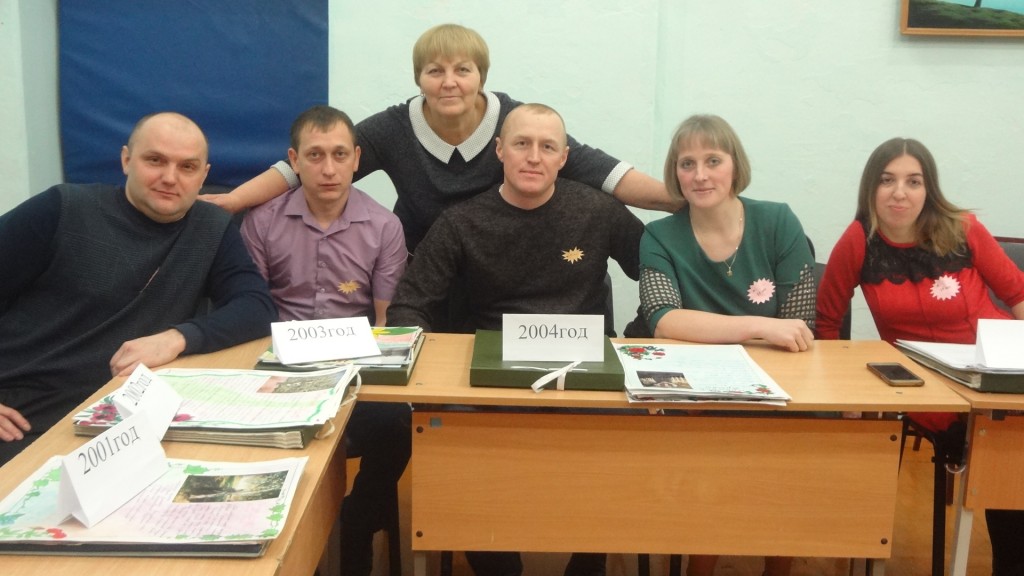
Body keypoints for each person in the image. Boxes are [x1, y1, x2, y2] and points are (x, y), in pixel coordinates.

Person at [388, 103, 643, 576]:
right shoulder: (461, 222)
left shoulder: (599, 211)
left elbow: (660, 273)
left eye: (547, 147)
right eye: (522, 144)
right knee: (449, 429)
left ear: (563, 158)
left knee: (627, 429)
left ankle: (588, 561)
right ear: (500, 150)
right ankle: (498, 564)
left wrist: (638, 336)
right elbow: (410, 304)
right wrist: (422, 369)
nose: (534, 157)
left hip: (583, 376)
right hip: (491, 376)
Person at [202, 23, 678, 254]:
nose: (449, 82)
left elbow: (608, 174)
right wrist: (234, 201)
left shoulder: (517, 124)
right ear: (419, 79)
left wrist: (682, 202)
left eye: (462, 70)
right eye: (435, 71)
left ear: (481, 76)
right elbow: (308, 165)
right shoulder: (392, 127)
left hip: (494, 265)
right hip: (419, 264)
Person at [0, 112, 277, 466]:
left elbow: (257, 307)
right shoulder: (61, 209)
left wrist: (177, 338)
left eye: (187, 167)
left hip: (126, 423)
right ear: (126, 160)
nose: (170, 178)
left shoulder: (212, 228)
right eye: (155, 160)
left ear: (203, 175)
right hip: (24, 420)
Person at [815, 137, 1024, 576]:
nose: (900, 193)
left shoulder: (963, 229)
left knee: (1011, 449)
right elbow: (828, 322)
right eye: (887, 180)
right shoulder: (858, 240)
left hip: (993, 369)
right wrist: (842, 398)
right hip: (922, 383)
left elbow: (1017, 294)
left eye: (913, 181)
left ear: (929, 189)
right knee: (986, 441)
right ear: (871, 188)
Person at [639, 114, 816, 576]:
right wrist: (759, 326)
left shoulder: (778, 221)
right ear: (675, 173)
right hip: (699, 391)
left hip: (779, 384)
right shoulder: (659, 235)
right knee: (711, 459)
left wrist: (764, 331)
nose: (700, 175)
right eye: (687, 163)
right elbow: (663, 320)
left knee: (787, 464)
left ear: (735, 165)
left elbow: (798, 326)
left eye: (713, 160)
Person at [239, 104, 410, 576]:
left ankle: (359, 519)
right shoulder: (262, 222)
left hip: (353, 375)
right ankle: (299, 549)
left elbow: (385, 325)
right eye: (315, 155)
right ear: (294, 161)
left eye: (339, 154)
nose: (329, 169)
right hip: (281, 375)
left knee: (399, 426)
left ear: (357, 158)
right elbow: (250, 315)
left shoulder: (384, 226)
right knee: (274, 444)